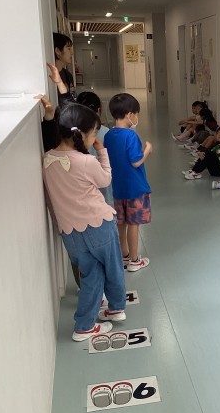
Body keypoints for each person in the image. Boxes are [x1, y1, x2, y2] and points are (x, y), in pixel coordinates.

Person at [42, 103, 127, 341]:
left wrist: (58, 226)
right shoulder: (85, 161)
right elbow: (105, 180)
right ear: (80, 134)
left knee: (90, 275)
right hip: (100, 225)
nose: (95, 138)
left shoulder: (47, 160)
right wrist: (102, 152)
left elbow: (50, 200)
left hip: (71, 232)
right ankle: (117, 307)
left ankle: (84, 326)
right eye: (94, 133)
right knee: (113, 268)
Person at [104, 93, 152, 272]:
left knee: (121, 222)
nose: (137, 118)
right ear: (130, 115)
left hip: (118, 187)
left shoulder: (109, 135)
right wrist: (147, 150)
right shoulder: (131, 136)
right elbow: (136, 161)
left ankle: (123, 255)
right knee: (133, 224)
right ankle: (134, 260)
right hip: (135, 187)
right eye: (136, 114)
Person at [77, 91, 113, 206]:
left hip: (82, 190)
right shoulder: (107, 133)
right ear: (98, 110)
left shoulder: (74, 134)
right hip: (103, 185)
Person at [53, 33, 75, 98]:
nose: (72, 53)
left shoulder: (68, 75)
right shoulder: (49, 77)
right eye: (69, 49)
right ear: (57, 51)